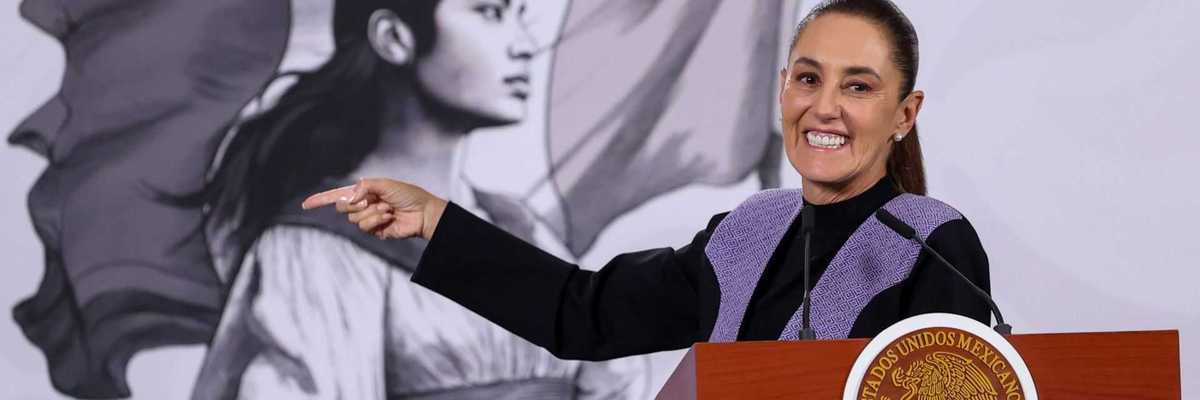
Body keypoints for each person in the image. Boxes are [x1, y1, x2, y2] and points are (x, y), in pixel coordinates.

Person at [304, 0, 991, 361]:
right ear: (782, 89)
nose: (825, 107)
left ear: (905, 114)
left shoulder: (934, 248)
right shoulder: (746, 235)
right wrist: (435, 219)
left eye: (859, 86)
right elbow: (584, 313)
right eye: (808, 78)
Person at [193, 0, 645, 398]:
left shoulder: (520, 229)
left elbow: (611, 378)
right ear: (394, 38)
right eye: (489, 11)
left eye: (519, 14)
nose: (525, 44)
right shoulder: (319, 248)